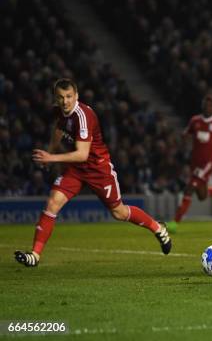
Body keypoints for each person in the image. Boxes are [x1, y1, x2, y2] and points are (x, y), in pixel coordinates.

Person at [14, 79, 171, 267]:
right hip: (76, 169)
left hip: (98, 169)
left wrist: (51, 158)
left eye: (69, 97)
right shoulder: (60, 110)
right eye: (61, 97)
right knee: (52, 202)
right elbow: (58, 128)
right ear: (56, 98)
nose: (65, 101)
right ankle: (35, 255)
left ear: (76, 96)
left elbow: (82, 154)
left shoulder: (83, 116)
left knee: (119, 212)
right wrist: (52, 150)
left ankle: (157, 228)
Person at [166, 95, 212, 234]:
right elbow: (186, 134)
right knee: (202, 196)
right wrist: (185, 142)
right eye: (206, 105)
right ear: (202, 106)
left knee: (189, 189)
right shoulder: (195, 120)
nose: (208, 108)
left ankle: (175, 222)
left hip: (208, 162)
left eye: (211, 105)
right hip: (194, 161)